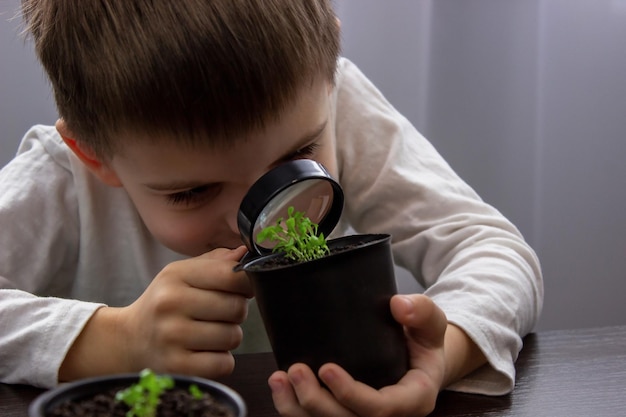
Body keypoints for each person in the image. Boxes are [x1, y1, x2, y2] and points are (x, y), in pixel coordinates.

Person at [0, 1, 543, 416]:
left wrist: (441, 354)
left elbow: (491, 249)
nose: (272, 220)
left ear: (328, 76)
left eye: (299, 159)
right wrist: (117, 340)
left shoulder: (338, 108)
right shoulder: (59, 179)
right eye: (192, 192)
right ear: (95, 157)